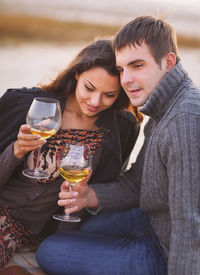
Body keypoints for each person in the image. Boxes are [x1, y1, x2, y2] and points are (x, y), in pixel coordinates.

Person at [36, 15, 200, 275]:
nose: (126, 80)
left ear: (168, 62)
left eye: (137, 65)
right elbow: (139, 181)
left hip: (166, 251)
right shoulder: (163, 107)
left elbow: (190, 226)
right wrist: (91, 196)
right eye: (122, 69)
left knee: (50, 252)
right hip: (150, 220)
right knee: (75, 234)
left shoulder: (184, 120)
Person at [0, 38, 143, 268]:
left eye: (110, 95)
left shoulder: (122, 129)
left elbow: (100, 194)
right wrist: (15, 150)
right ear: (77, 73)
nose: (95, 102)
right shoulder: (27, 106)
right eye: (89, 87)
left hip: (21, 228)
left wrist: (78, 204)